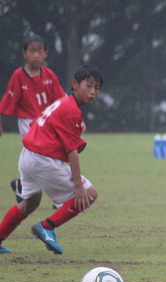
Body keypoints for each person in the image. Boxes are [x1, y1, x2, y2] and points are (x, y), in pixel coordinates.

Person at [0, 64, 103, 255]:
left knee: (29, 203)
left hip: (28, 157)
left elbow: (37, 124)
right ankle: (47, 226)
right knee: (90, 194)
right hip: (42, 161)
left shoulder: (62, 103)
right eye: (88, 86)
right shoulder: (71, 109)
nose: (93, 92)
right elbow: (72, 151)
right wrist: (78, 186)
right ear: (74, 84)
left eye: (97, 87)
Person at [0, 35, 66, 206]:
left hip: (47, 122)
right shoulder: (18, 76)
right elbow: (6, 102)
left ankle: (22, 185)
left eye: (40, 51)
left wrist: (77, 120)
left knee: (46, 157)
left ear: (46, 54)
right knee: (44, 156)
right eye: (32, 51)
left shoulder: (49, 75)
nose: (36, 55)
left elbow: (62, 101)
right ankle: (59, 198)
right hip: (27, 122)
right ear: (24, 53)